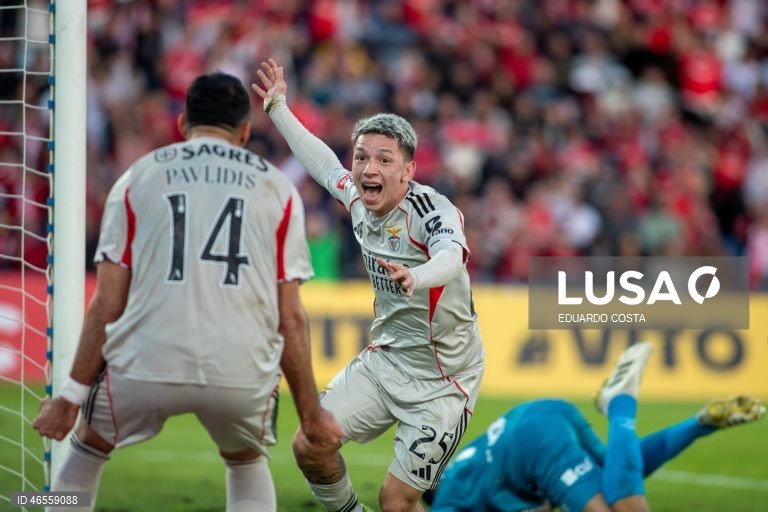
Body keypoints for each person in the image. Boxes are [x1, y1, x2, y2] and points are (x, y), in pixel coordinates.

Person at [32, 72, 342, 512]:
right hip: (238, 368)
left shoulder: (137, 178)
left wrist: (70, 396)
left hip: (146, 361)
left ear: (182, 124)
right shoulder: (279, 190)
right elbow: (290, 317)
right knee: (246, 460)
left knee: (87, 449)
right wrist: (310, 415)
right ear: (245, 131)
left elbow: (107, 304)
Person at [253, 59, 485, 512]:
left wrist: (417, 275)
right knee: (310, 443)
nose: (367, 168)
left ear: (408, 171)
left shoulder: (431, 211)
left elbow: (452, 256)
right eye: (361, 157)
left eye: (383, 159)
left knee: (396, 501)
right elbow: (323, 163)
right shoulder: (358, 198)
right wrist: (278, 107)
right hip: (385, 361)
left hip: (444, 381)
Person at [427, 341, 766, 512]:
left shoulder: (450, 502)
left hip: (533, 445)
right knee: (613, 473)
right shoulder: (461, 476)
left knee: (627, 509)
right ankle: (701, 423)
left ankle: (619, 402)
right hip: (544, 414)